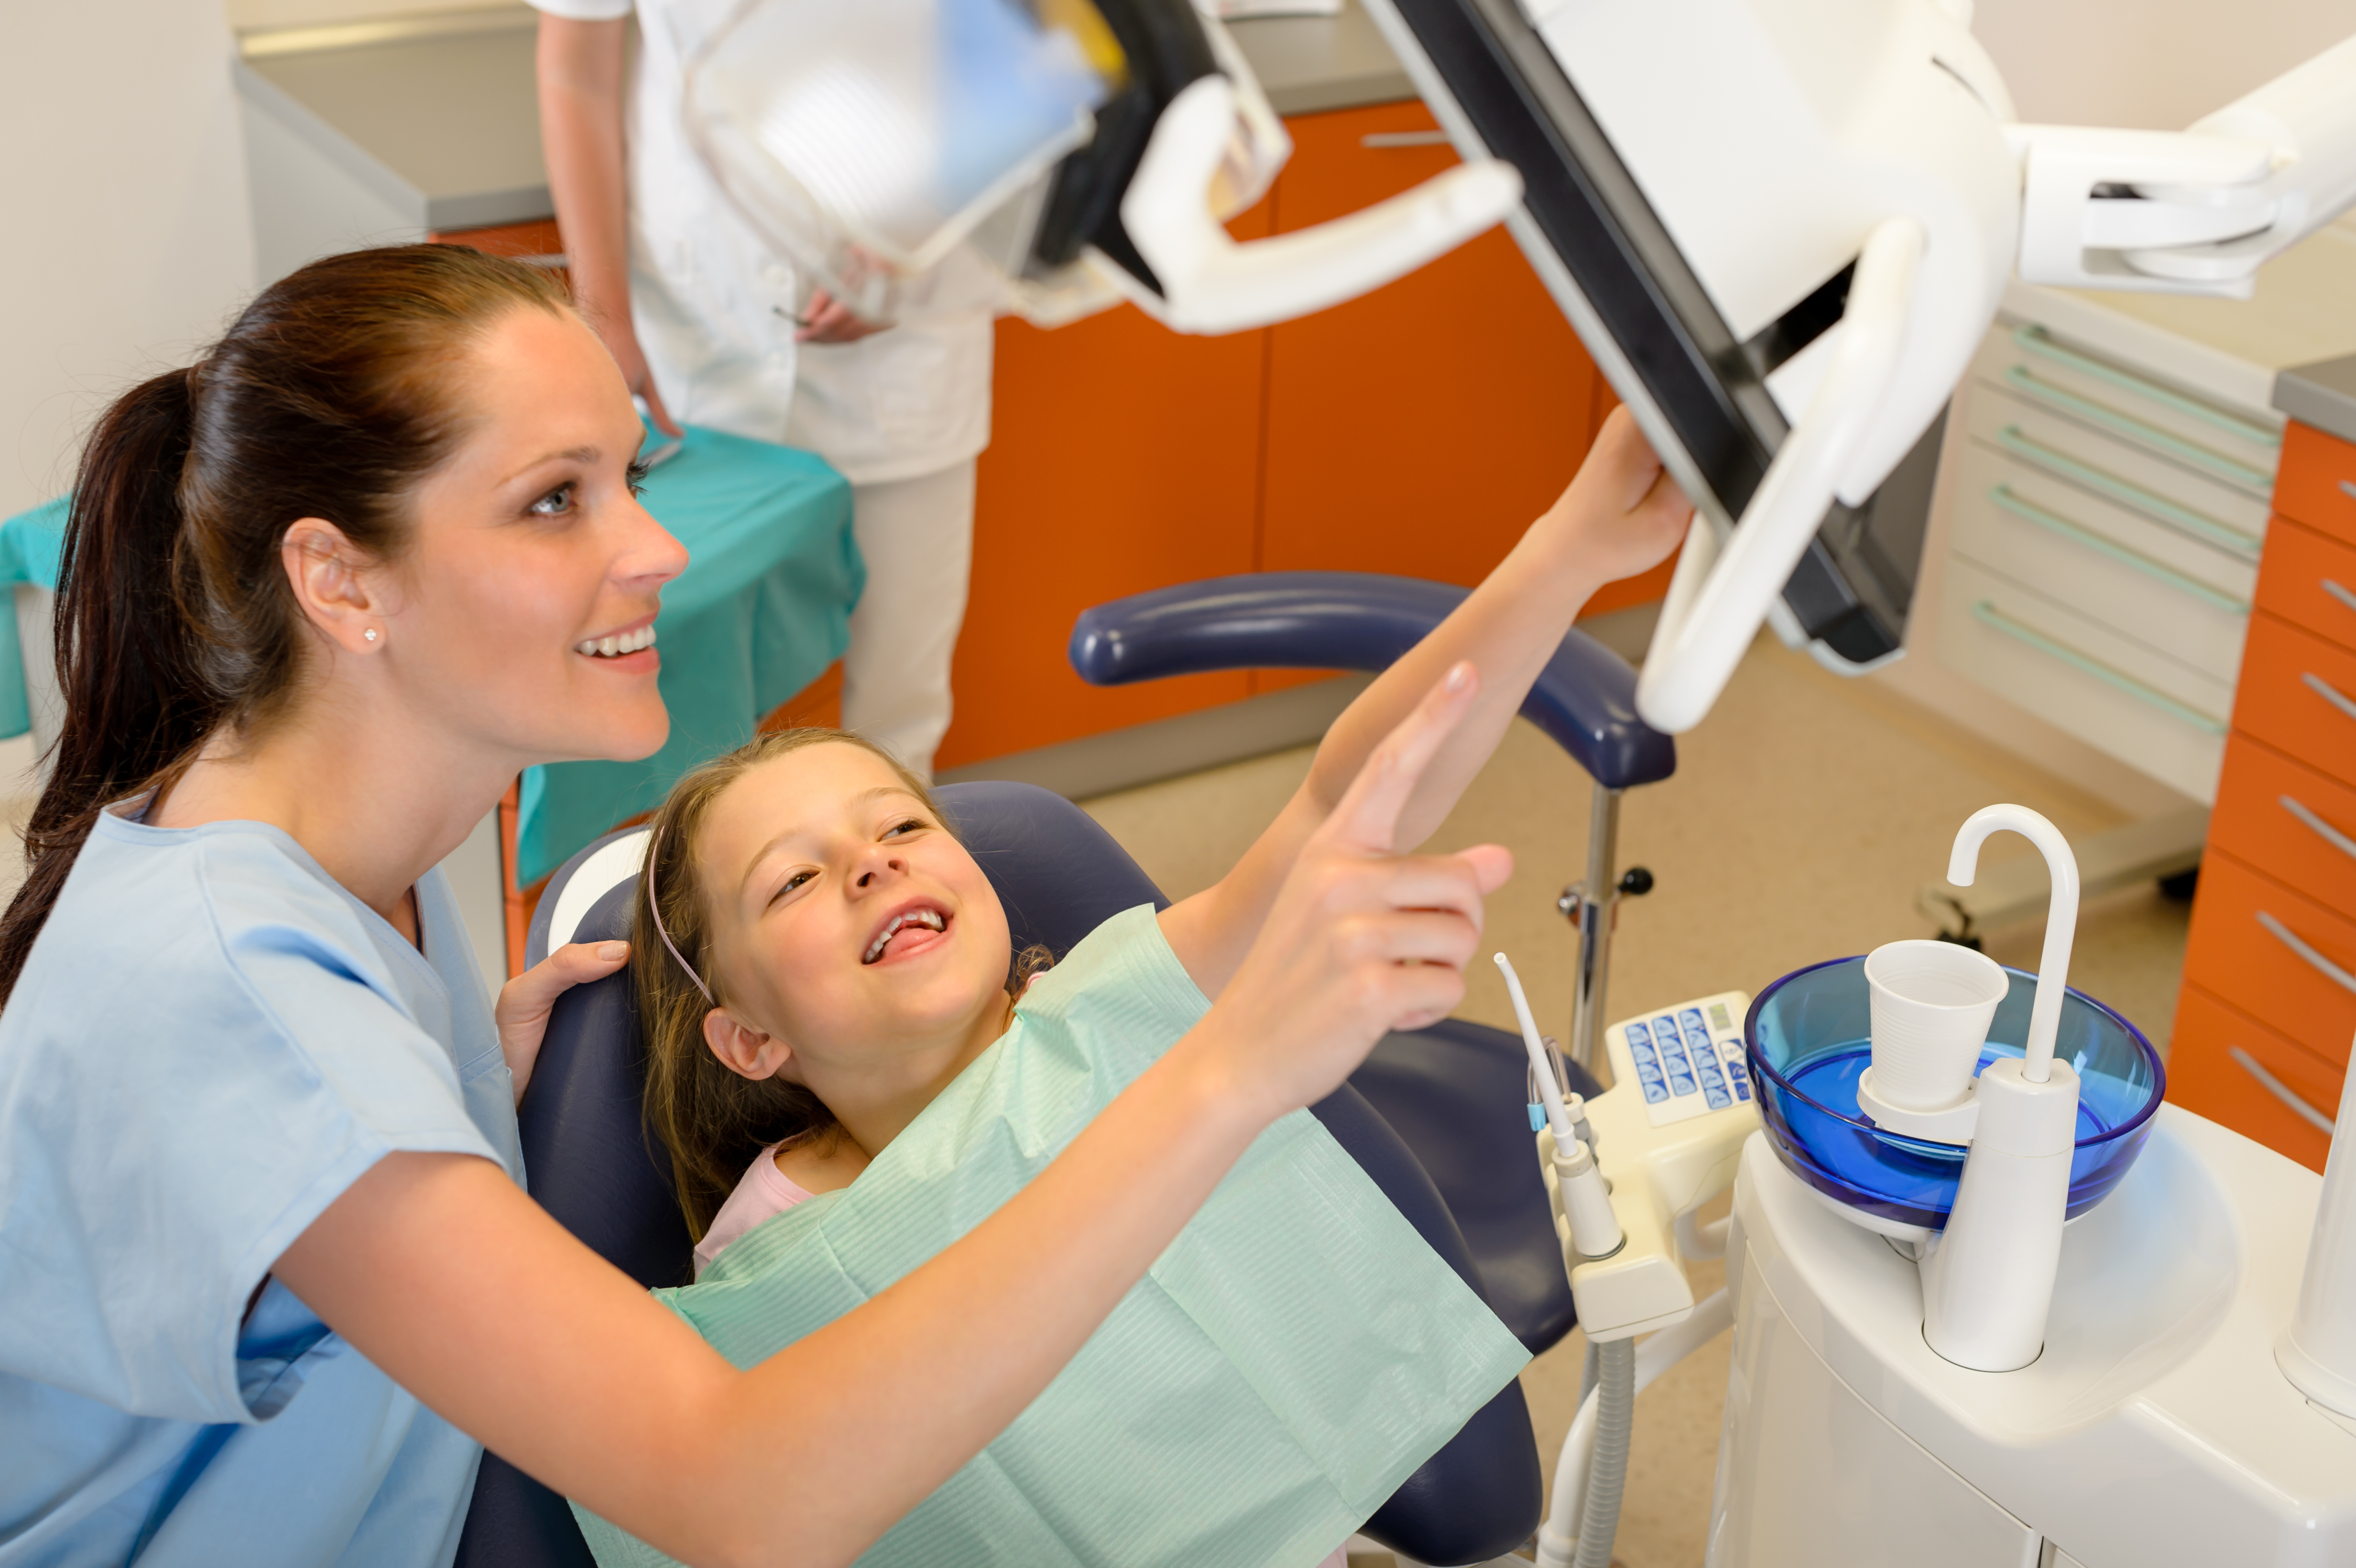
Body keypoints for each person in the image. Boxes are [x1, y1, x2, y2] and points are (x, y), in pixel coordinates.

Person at [0, 243, 1632, 1568]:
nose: (651, 548)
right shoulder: (239, 990)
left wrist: (429, 1112)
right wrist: (1224, 1073)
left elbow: (1344, 791)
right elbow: (746, 1495)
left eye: (626, 475)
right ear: (339, 581)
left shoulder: (394, 825)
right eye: (553, 500)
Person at [534, 0, 994, 780]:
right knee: (683, 711)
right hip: (691, 339)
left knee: (900, 709)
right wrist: (605, 315)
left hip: (905, 347)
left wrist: (928, 237)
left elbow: (1038, 57)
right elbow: (577, 68)